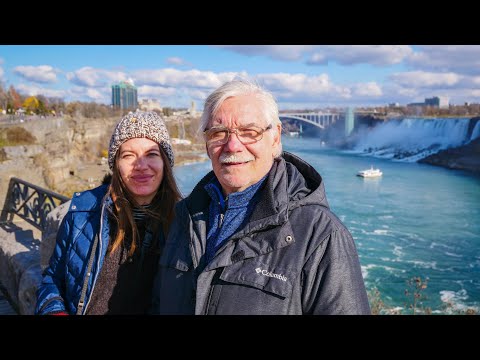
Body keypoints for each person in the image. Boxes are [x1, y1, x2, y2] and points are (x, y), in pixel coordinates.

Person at [151, 78, 371, 315]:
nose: (233, 145)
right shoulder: (185, 218)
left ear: (275, 137)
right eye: (219, 132)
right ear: (207, 143)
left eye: (249, 132)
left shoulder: (320, 234)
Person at [35, 110, 181, 315]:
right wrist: (54, 311)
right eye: (128, 155)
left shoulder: (185, 222)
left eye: (152, 154)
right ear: (115, 165)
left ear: (165, 162)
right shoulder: (83, 213)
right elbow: (53, 279)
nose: (140, 165)